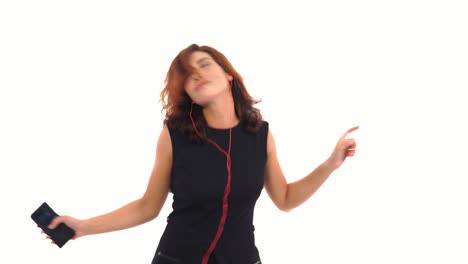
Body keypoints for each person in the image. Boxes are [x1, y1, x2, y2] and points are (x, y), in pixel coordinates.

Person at [44, 44, 359, 264]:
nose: (197, 75)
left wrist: (330, 164)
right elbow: (147, 207)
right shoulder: (174, 135)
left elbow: (286, 198)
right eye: (188, 75)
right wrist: (83, 226)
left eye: (204, 65)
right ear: (187, 92)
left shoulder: (260, 134)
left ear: (229, 75)